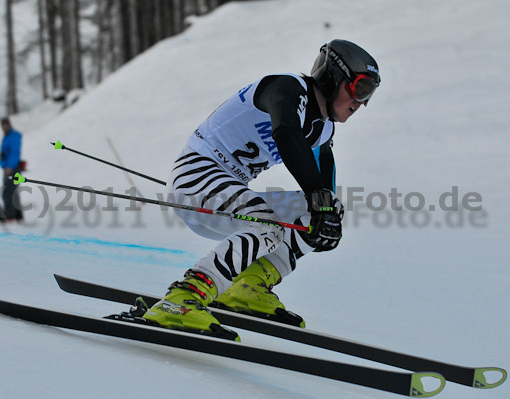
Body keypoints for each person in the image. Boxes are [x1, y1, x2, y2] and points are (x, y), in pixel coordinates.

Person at [142, 39, 380, 340]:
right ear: (333, 76)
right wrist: (319, 202)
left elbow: (322, 191)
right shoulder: (288, 87)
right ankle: (186, 295)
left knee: (327, 209)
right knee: (266, 221)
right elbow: (286, 132)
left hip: (223, 196)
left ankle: (248, 285)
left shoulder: (323, 128)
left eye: (369, 95)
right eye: (359, 89)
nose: (360, 103)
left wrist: (325, 220)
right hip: (195, 177)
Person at [0, 117, 23, 221]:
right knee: (13, 192)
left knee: (7, 193)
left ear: (9, 125)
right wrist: (3, 164)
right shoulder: (6, 137)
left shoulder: (13, 136)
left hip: (13, 168)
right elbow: (3, 154)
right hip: (7, 168)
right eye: (3, 125)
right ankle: (18, 216)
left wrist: (9, 166)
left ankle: (10, 217)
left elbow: (15, 153)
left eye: (6, 125)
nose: (4, 127)